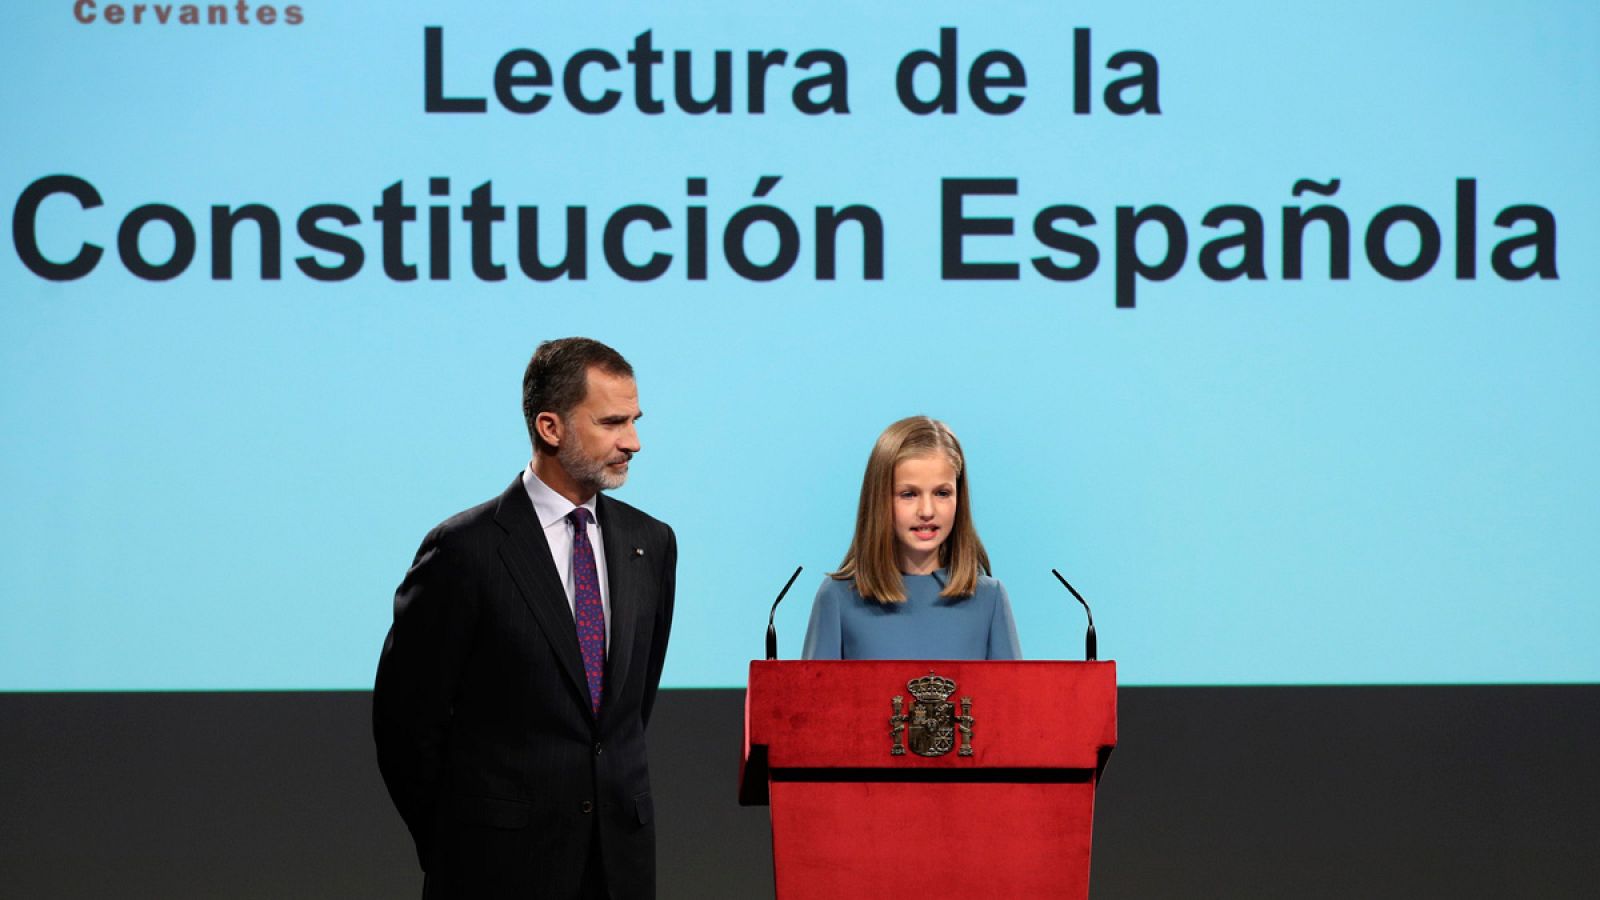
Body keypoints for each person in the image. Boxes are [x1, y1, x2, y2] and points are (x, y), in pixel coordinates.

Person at [373, 337, 676, 900]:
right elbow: (405, 725)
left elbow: (626, 711)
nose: (633, 442)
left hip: (618, 867)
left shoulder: (650, 542)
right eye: (612, 423)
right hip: (496, 867)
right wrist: (455, 842)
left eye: (634, 420)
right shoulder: (464, 550)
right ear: (550, 427)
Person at [802, 416, 1021, 660]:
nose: (927, 511)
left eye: (942, 493)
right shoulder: (837, 598)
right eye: (909, 494)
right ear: (879, 500)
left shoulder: (990, 599)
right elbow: (814, 698)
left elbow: (1010, 698)